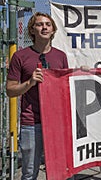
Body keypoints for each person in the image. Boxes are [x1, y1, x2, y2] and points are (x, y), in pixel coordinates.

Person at [6, 12, 69, 180]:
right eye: (40, 24)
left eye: (48, 24)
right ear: (32, 30)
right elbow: (10, 90)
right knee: (29, 173)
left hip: (56, 123)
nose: (44, 27)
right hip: (31, 122)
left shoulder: (60, 56)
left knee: (58, 172)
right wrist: (29, 83)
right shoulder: (20, 56)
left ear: (53, 30)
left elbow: (64, 87)